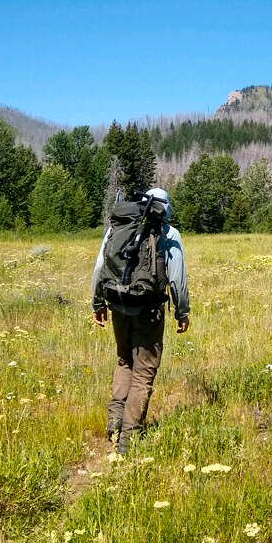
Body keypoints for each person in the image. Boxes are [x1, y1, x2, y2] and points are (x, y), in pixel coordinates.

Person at [91, 187, 189, 457]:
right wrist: (182, 312)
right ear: (165, 207)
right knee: (144, 371)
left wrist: (98, 304)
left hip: (118, 304)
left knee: (124, 361)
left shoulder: (119, 226)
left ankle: (115, 423)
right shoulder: (168, 233)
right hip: (148, 308)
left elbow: (100, 267)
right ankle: (129, 438)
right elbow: (177, 279)